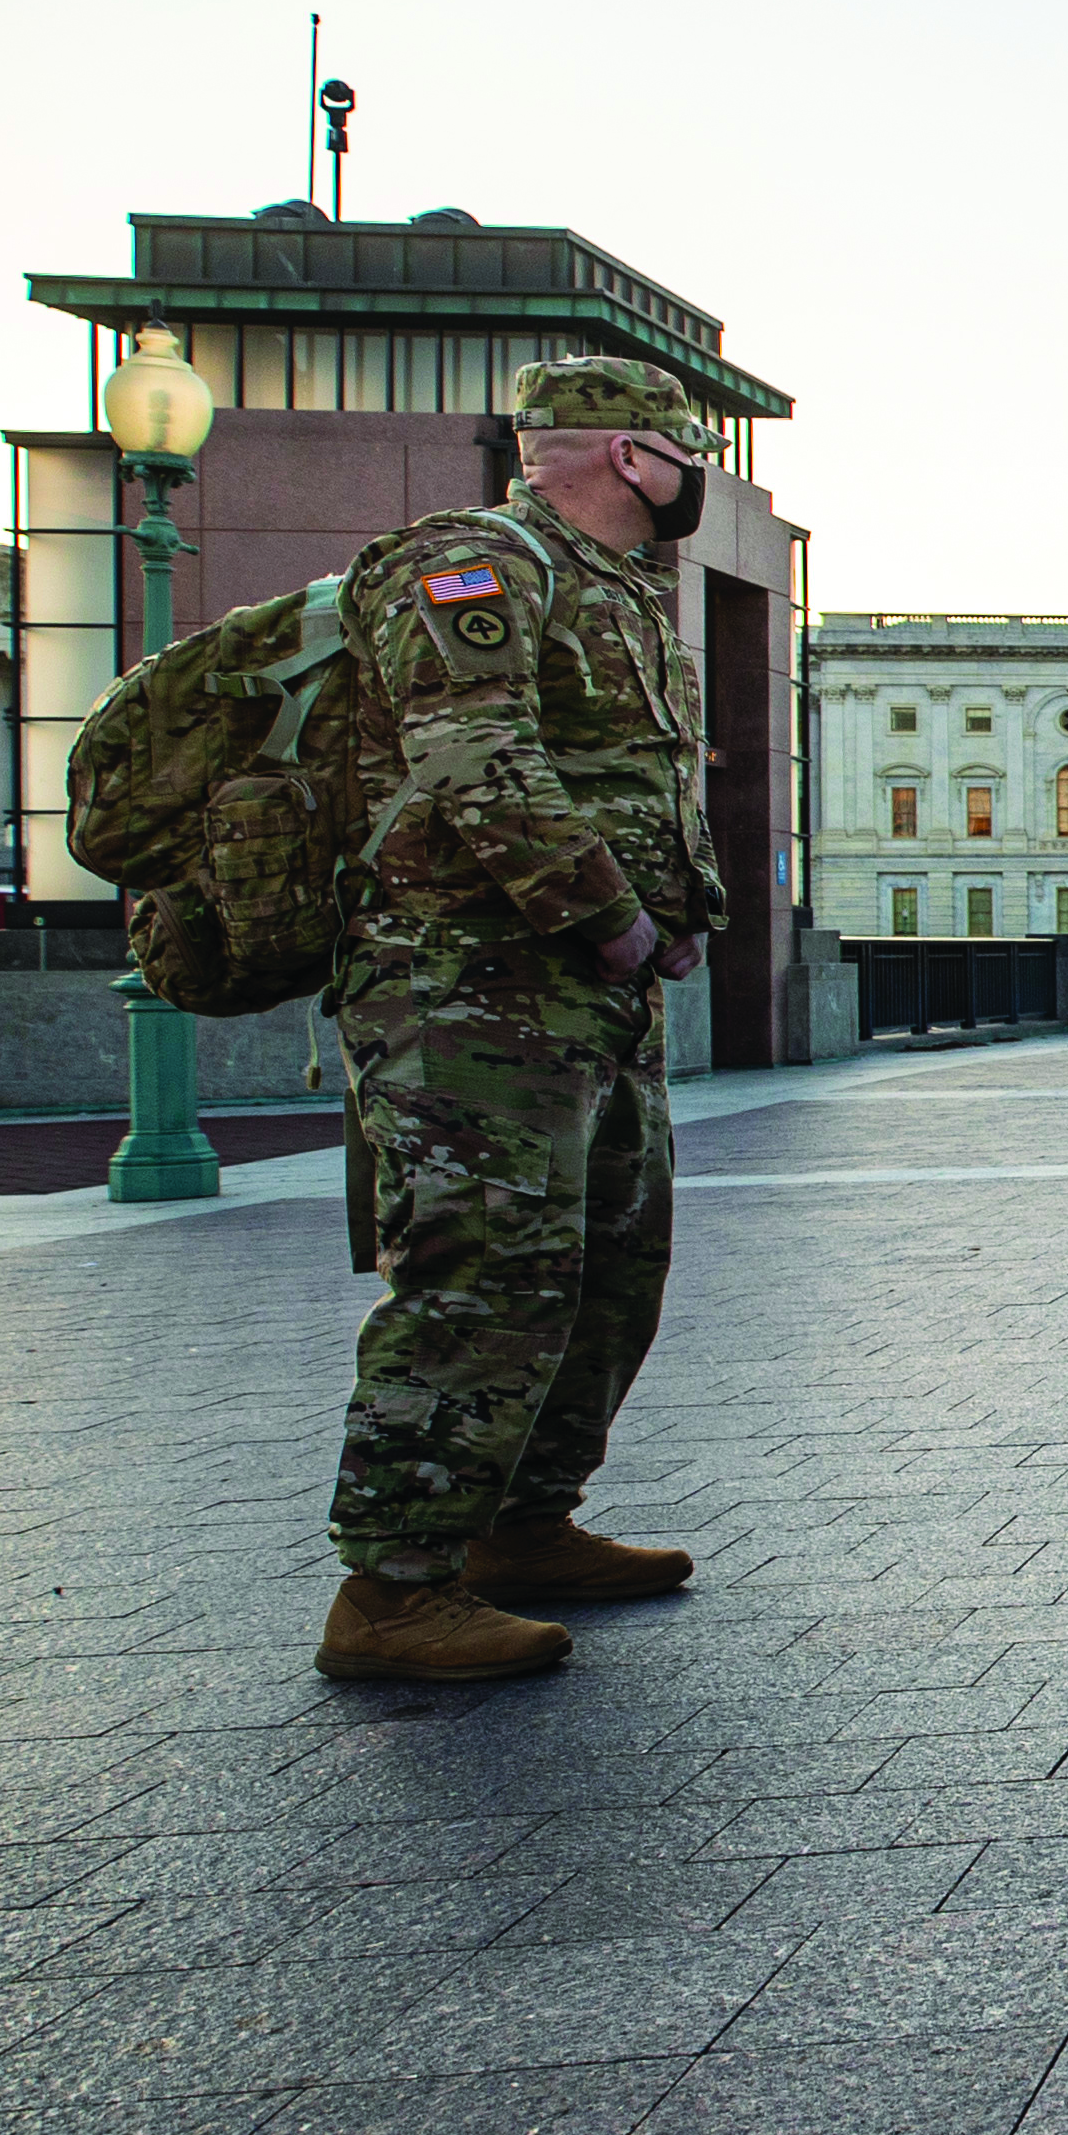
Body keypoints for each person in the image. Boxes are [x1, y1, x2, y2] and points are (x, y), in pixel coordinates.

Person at [315, 353, 728, 1687]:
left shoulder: (621, 596)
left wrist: (679, 910)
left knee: (609, 1267)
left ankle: (522, 1523)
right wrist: (608, 910)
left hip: (588, 998)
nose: (695, 478)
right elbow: (475, 755)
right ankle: (393, 1585)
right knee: (485, 1270)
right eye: (685, 451)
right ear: (629, 454)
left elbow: (640, 778)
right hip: (469, 990)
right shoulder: (475, 560)